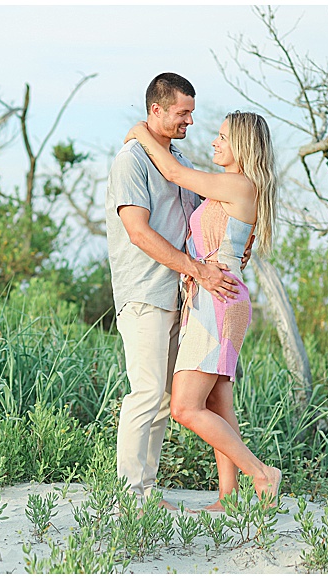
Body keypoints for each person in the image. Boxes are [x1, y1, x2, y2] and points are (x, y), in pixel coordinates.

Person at [124, 110, 281, 507]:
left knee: (184, 406)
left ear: (243, 145)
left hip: (219, 299)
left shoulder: (239, 185)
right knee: (217, 402)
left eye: (223, 137)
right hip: (214, 295)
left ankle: (262, 474)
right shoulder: (227, 189)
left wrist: (142, 133)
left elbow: (174, 173)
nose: (214, 141)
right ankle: (228, 496)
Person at [105, 72, 241, 509]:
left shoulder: (173, 156)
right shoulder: (132, 160)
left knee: (164, 399)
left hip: (180, 297)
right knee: (145, 393)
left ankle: (145, 492)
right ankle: (131, 497)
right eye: (183, 113)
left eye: (192, 114)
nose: (189, 121)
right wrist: (198, 270)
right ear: (156, 110)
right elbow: (138, 232)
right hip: (145, 292)